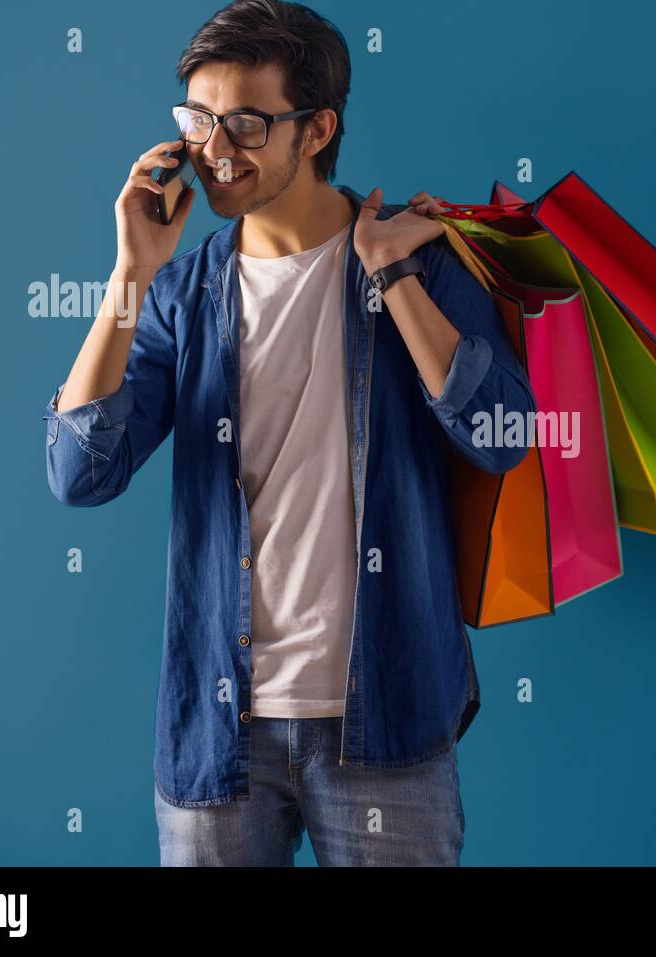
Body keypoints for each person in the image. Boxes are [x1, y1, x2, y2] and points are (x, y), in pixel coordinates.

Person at [41, 0, 535, 866]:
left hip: (387, 716)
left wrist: (395, 279)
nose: (214, 148)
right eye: (198, 119)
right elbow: (81, 470)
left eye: (245, 121)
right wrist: (129, 271)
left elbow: (501, 434)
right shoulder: (178, 294)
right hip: (219, 731)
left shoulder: (420, 256)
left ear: (316, 130)